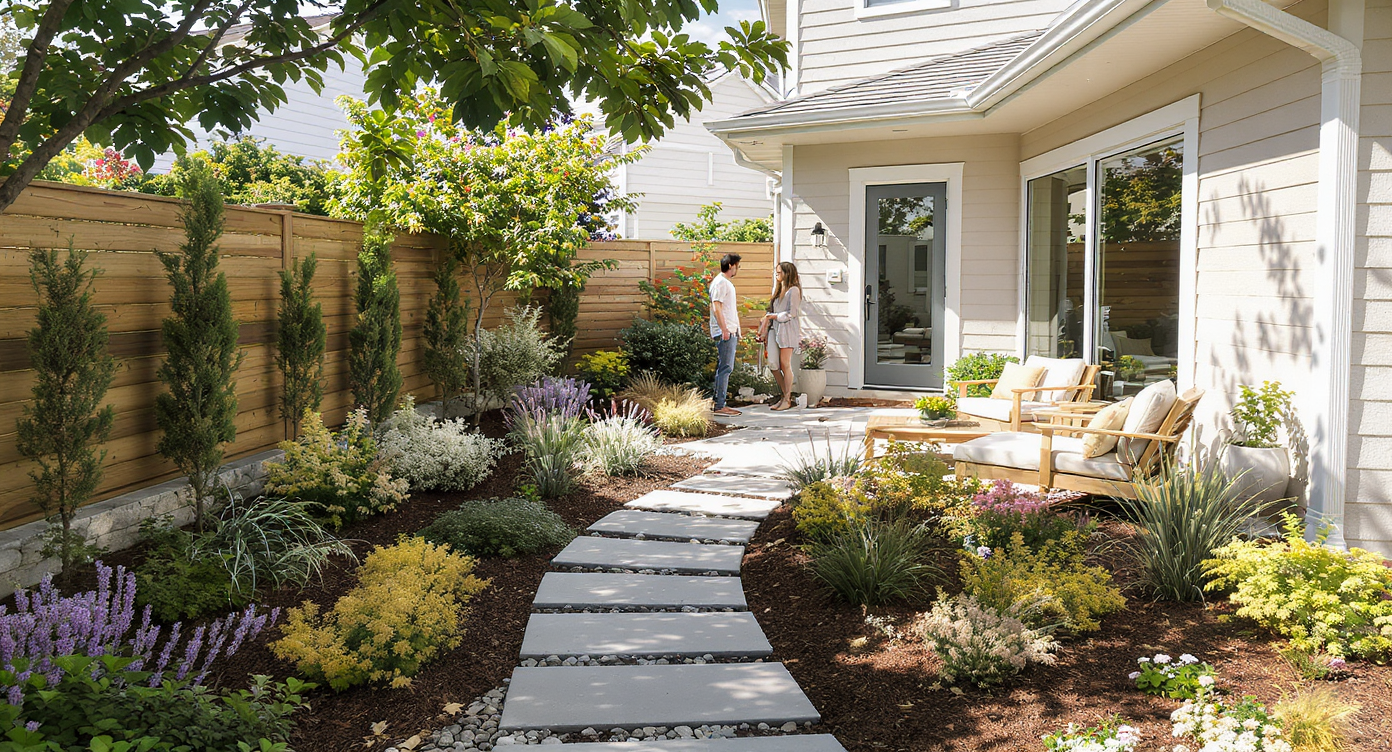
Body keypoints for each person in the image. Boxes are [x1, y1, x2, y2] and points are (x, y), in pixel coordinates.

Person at [761, 261, 802, 411]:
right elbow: (770, 313)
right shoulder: (778, 290)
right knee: (773, 364)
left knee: (785, 364)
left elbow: (792, 313)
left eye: (779, 272)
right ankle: (785, 395)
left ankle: (786, 399)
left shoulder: (794, 290)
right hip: (774, 330)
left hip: (787, 331)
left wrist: (772, 316)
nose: (776, 274)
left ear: (787, 273)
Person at [709, 253, 742, 417]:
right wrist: (724, 330)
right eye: (738, 266)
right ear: (731, 265)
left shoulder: (724, 283)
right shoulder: (720, 283)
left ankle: (720, 403)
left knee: (725, 368)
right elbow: (717, 307)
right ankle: (719, 405)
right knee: (725, 368)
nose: (738, 269)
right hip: (725, 332)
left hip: (729, 331)